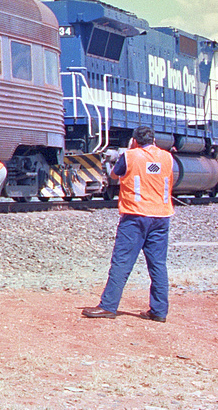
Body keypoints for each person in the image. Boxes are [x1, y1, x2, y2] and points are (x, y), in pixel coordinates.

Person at [81, 125, 174, 322]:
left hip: (135, 216)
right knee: (158, 264)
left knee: (122, 262)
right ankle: (159, 311)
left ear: (134, 141)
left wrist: (124, 156)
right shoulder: (167, 157)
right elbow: (158, 173)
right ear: (154, 140)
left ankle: (108, 306)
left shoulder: (131, 156)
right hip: (162, 217)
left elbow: (115, 174)